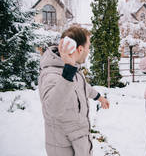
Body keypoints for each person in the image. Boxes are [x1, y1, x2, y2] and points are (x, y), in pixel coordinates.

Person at [38, 25, 110, 156]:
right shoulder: (52, 74)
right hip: (64, 148)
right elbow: (52, 109)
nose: (89, 51)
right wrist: (68, 71)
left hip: (79, 144)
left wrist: (99, 97)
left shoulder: (73, 71)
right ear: (80, 49)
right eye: (88, 47)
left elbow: (82, 87)